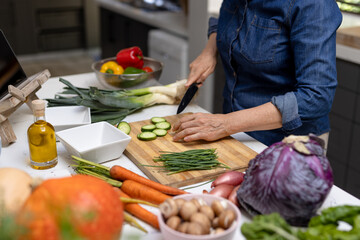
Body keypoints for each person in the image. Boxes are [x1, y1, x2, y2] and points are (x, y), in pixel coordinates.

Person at [172, 0, 342, 147]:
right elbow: (223, 20)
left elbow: (317, 96)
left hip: (286, 145)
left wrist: (225, 123)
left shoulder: (314, 5)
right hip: (235, 133)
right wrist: (210, 50)